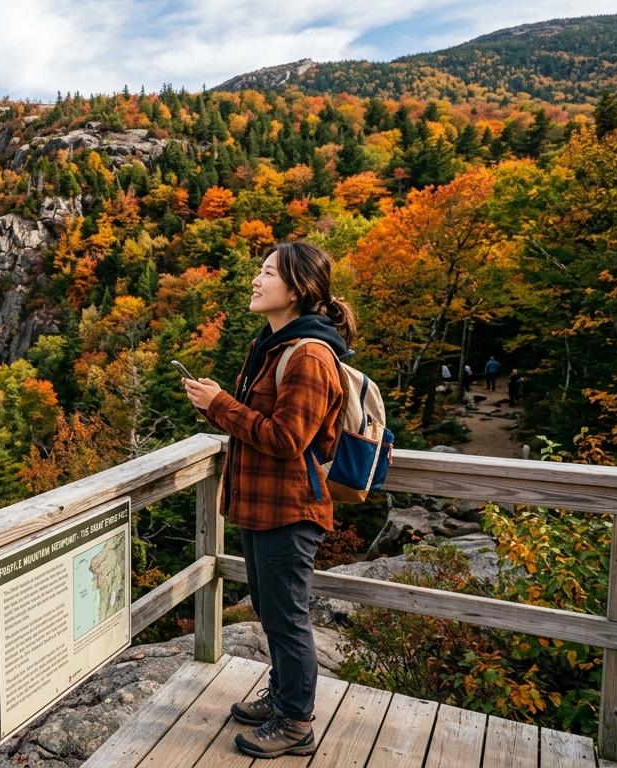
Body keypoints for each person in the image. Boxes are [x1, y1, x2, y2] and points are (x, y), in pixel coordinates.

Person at [182, 241, 353, 759]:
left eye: (268, 273)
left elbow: (286, 439)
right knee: (271, 609)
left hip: (290, 510)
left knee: (287, 617)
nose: (256, 281)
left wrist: (220, 405)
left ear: (297, 289)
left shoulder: (309, 356)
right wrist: (217, 404)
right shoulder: (275, 346)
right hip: (262, 507)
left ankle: (296, 723)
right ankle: (283, 698)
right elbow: (260, 424)